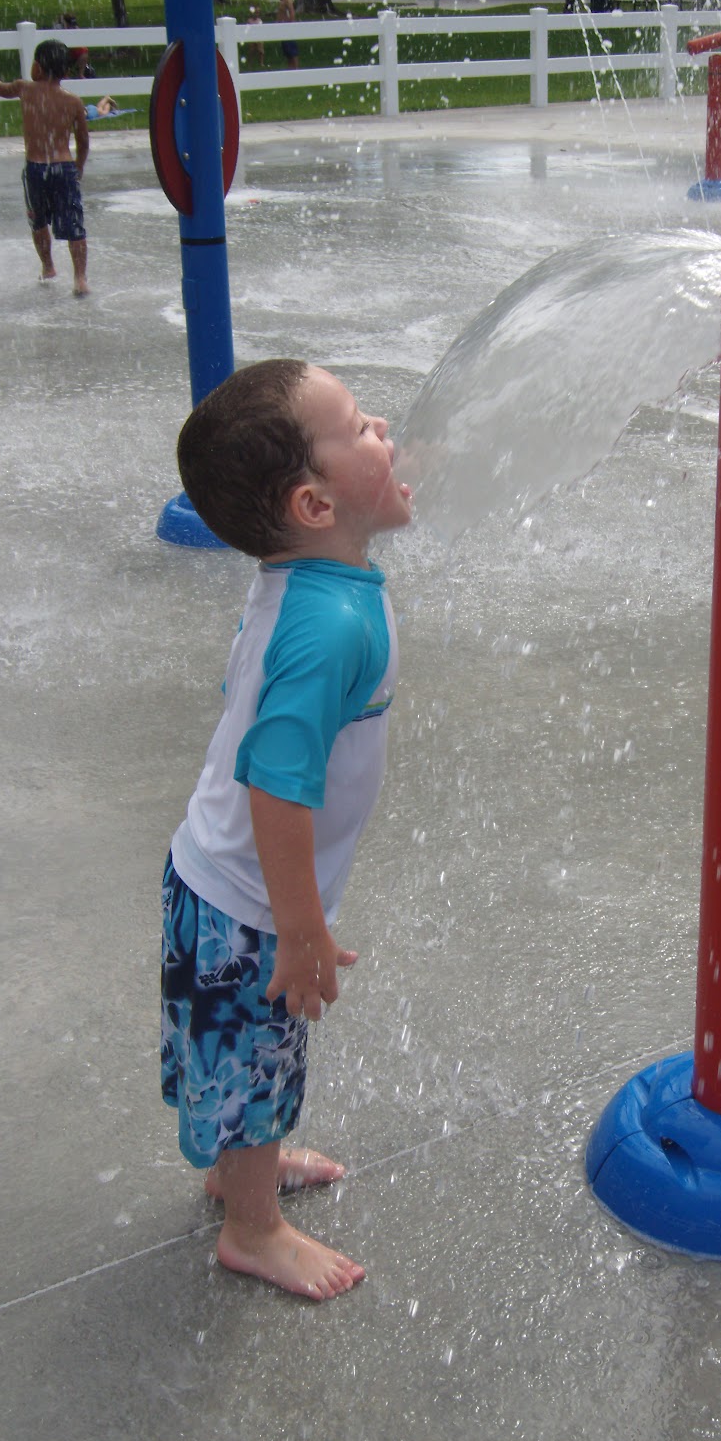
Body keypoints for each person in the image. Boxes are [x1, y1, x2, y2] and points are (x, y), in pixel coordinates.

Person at [163, 358, 413, 1301]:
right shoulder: (329, 625)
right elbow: (277, 786)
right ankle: (253, 1228)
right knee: (256, 1055)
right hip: (247, 901)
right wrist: (300, 927)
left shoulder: (312, 584)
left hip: (221, 880)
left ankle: (241, 1168)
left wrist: (376, 491)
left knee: (238, 1054)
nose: (382, 428)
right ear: (314, 506)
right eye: (358, 429)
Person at [0, 39, 89, 295]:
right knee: (74, 224)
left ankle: (48, 266)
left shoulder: (25, 88)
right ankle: (80, 278)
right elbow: (83, 141)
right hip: (63, 168)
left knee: (38, 222)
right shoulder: (73, 102)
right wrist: (78, 167)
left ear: (36, 67)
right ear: (66, 72)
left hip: (36, 168)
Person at [275, 0, 299, 69]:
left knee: (292, 50)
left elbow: (292, 13)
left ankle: (295, 68)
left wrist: (289, 24)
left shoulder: (287, 0)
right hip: (283, 28)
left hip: (287, 28)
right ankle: (290, 68)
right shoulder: (283, 1)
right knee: (287, 51)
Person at [246, 3, 265, 68]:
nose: (256, 14)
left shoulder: (259, 21)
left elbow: (261, 29)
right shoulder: (249, 21)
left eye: (257, 13)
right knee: (251, 51)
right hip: (252, 37)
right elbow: (247, 29)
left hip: (259, 37)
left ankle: (261, 62)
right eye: (255, 13)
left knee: (261, 51)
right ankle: (249, 63)